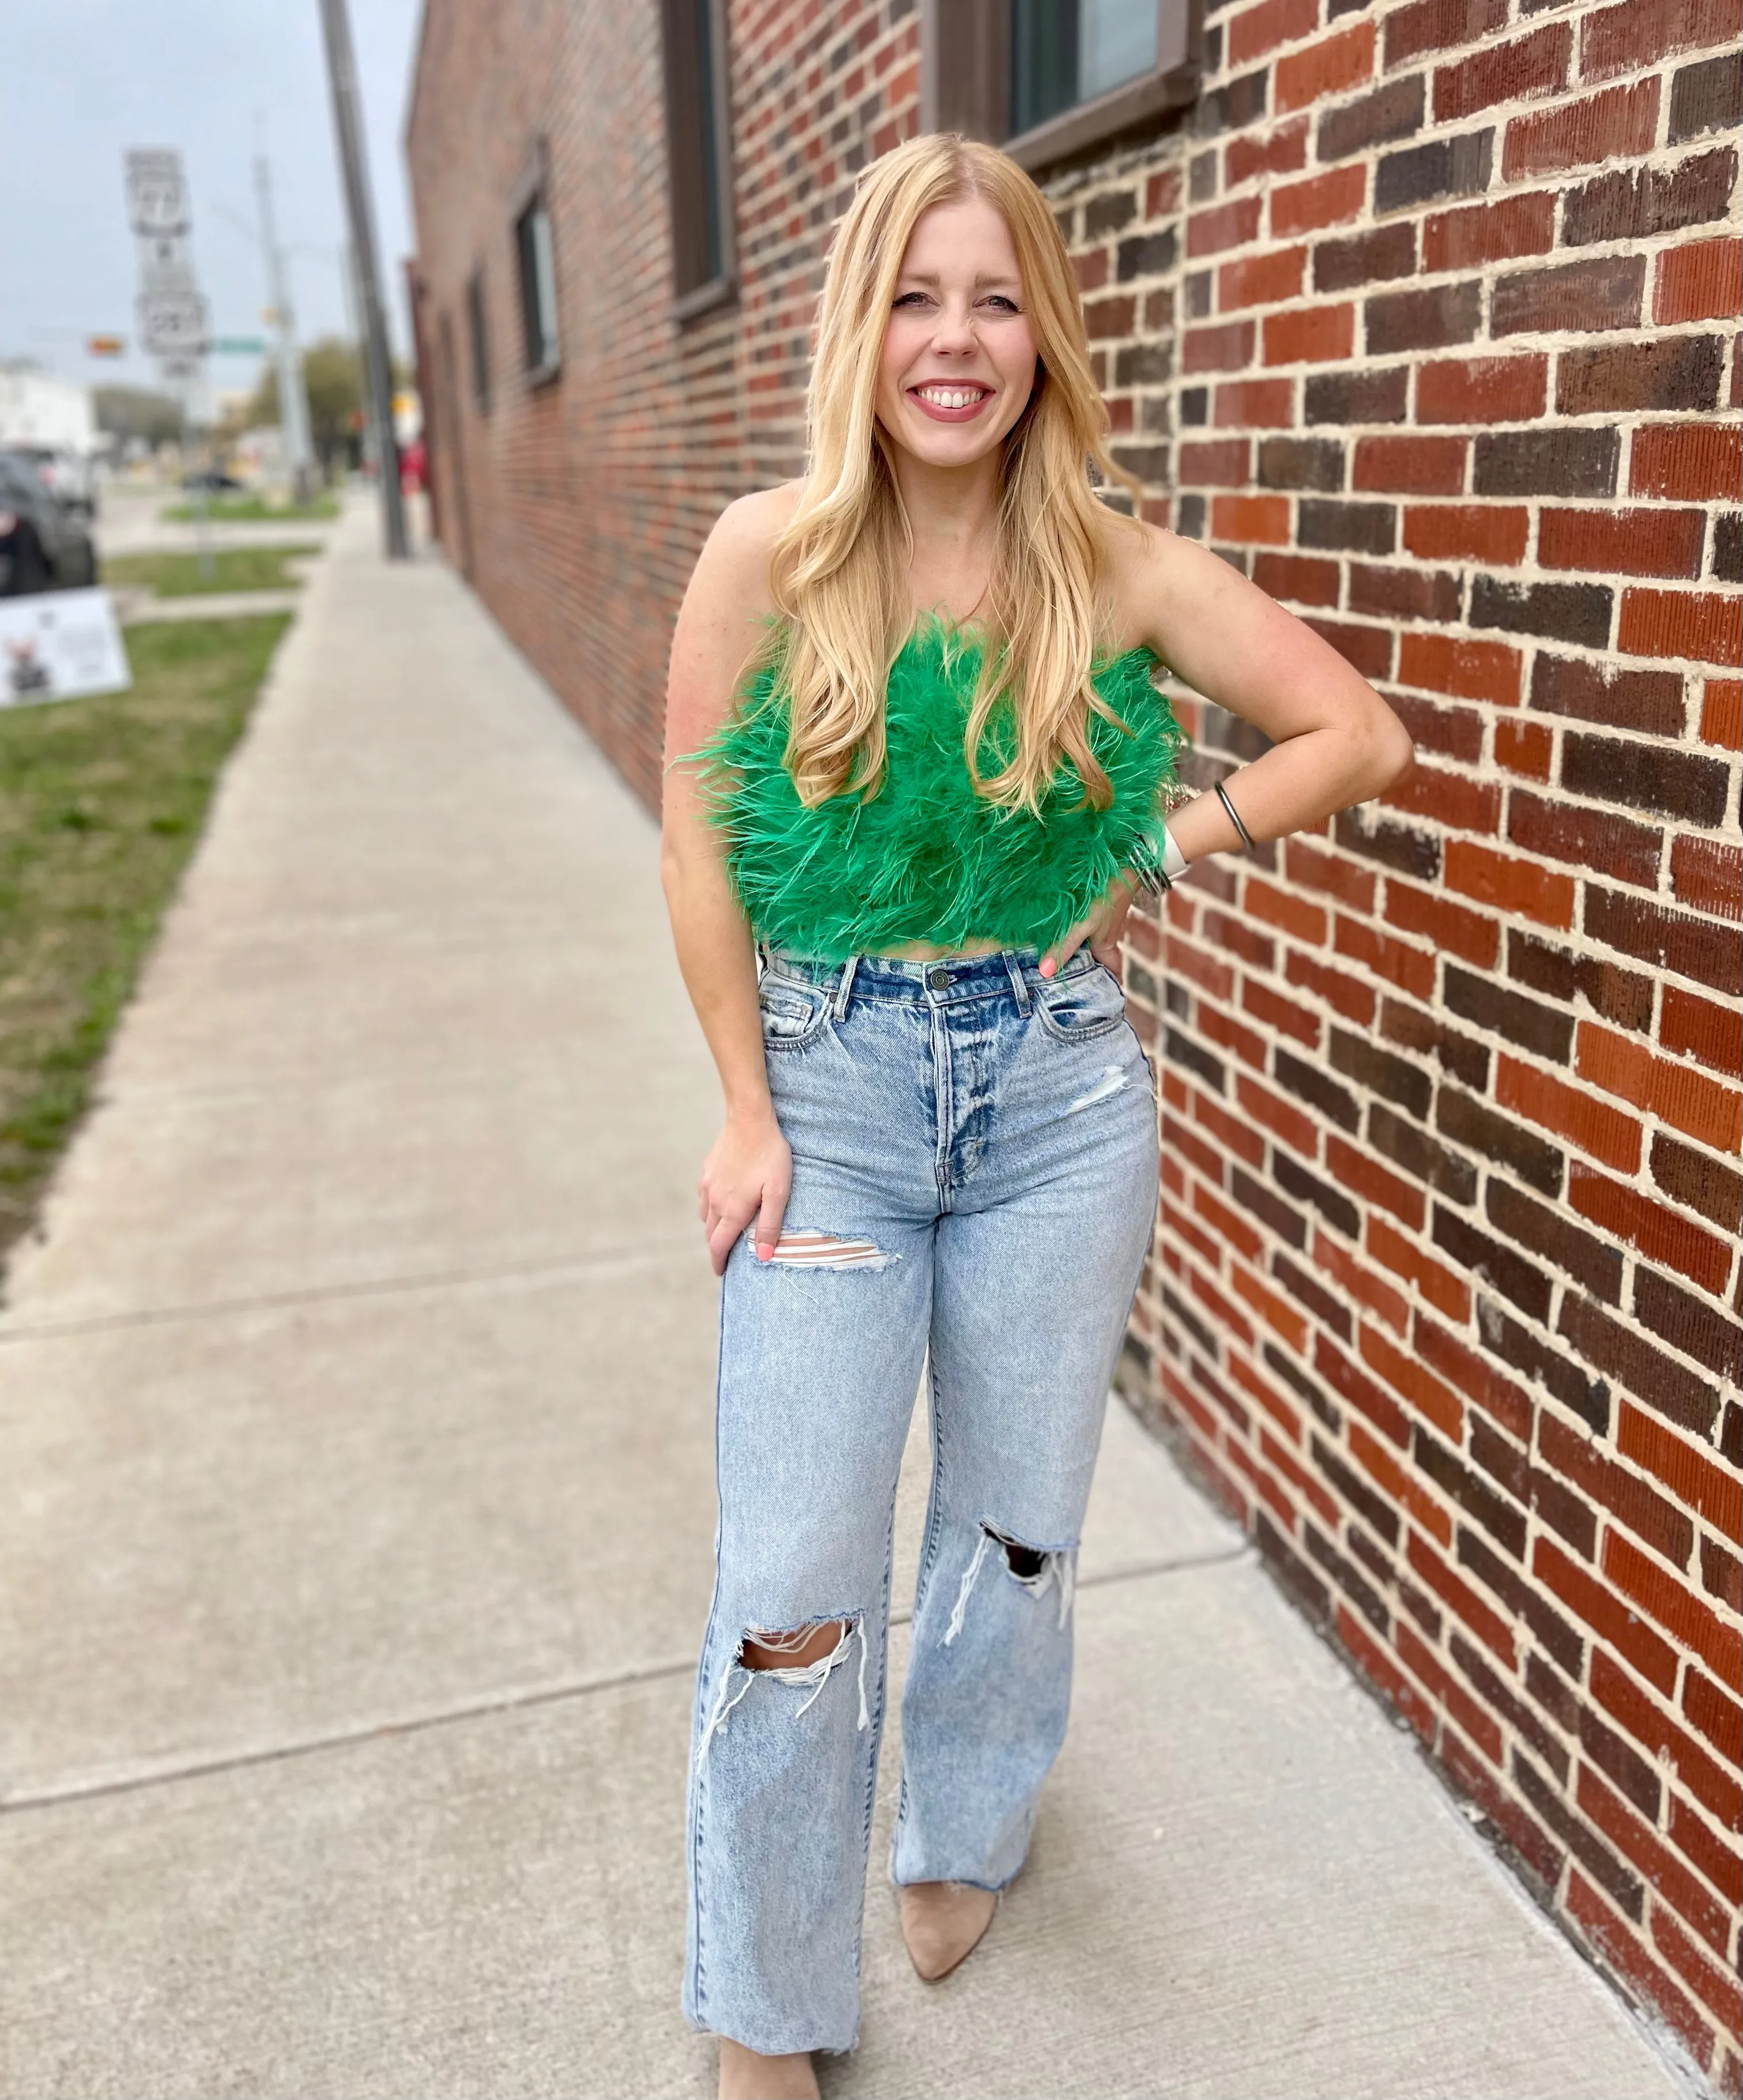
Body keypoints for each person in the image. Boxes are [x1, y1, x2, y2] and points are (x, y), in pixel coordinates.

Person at [660, 133, 1413, 2100]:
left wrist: (1165, 846)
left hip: (1056, 1104)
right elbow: (695, 829)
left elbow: (1355, 728)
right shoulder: (769, 552)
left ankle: (965, 1824)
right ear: (860, 327)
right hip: (827, 1090)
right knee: (789, 1585)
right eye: (915, 296)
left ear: (1044, 334)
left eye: (995, 298)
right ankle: (765, 2003)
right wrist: (744, 1109)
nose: (955, 339)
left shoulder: (1121, 566)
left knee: (1013, 1526)